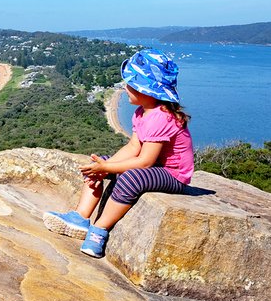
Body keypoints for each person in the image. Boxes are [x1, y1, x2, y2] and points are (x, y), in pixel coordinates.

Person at [43, 49, 194, 258]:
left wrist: (107, 168)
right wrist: (103, 167)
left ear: (145, 90)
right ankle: (80, 218)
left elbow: (145, 161)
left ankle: (99, 230)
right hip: (156, 167)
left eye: (130, 84)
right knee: (98, 166)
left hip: (174, 174)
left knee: (132, 177)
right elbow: (133, 147)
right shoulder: (143, 112)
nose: (125, 87)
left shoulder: (160, 116)